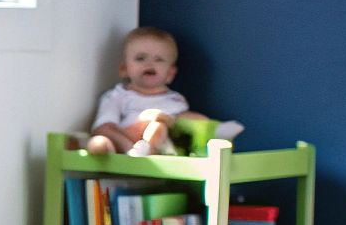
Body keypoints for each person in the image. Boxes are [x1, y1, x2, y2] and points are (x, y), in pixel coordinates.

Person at [86, 26, 241, 155]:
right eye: (141, 58)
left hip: (155, 144)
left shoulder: (174, 100)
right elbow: (103, 126)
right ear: (124, 69)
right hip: (122, 138)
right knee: (99, 142)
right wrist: (127, 144)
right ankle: (126, 152)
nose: (150, 64)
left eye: (158, 59)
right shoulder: (117, 96)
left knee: (163, 125)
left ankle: (215, 129)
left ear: (170, 74)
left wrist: (161, 119)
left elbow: (180, 124)